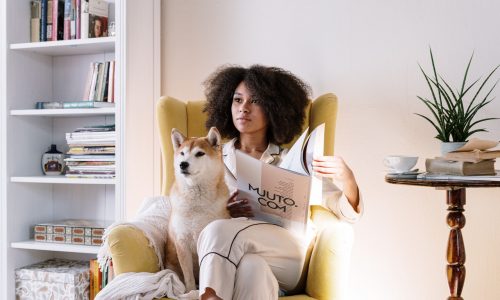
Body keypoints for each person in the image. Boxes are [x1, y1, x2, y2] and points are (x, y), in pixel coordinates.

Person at [198, 64, 363, 300]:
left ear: (274, 109)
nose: (243, 108)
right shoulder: (210, 159)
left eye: (254, 101)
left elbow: (347, 213)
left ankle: (210, 296)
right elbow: (189, 210)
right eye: (237, 100)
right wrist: (222, 211)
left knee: (218, 230)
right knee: (252, 269)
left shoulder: (292, 160)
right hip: (238, 256)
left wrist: (347, 178)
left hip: (286, 255)